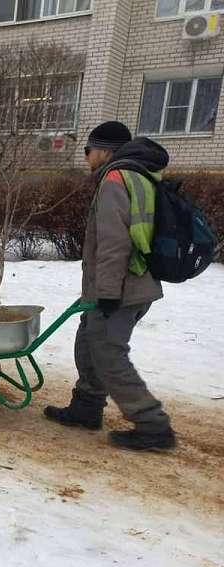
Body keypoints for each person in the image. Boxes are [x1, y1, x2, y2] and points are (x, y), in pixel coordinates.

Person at [44, 121, 175, 451]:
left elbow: (114, 243)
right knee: (88, 341)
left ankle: (153, 425)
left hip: (123, 285)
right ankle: (87, 406)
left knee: (108, 354)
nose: (87, 157)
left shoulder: (116, 180)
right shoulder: (137, 176)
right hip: (126, 281)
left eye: (88, 150)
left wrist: (107, 293)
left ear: (103, 150)